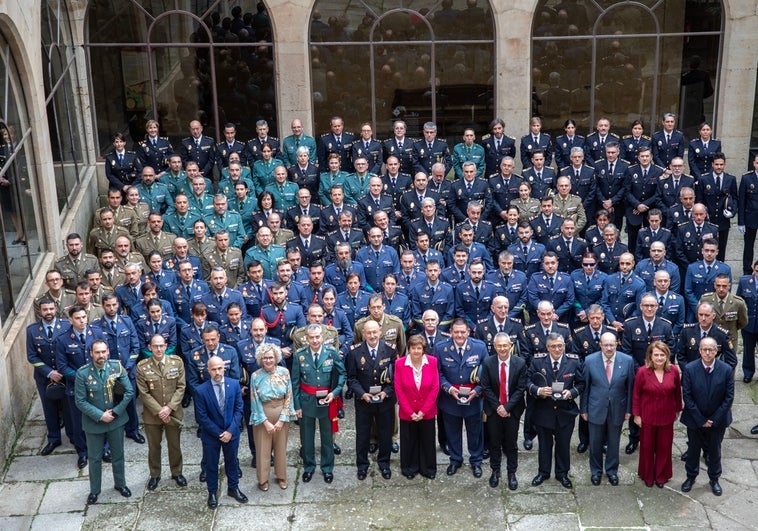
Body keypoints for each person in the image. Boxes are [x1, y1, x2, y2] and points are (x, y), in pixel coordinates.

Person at [74, 339, 134, 504]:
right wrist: (101, 415)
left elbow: (129, 392)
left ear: (108, 351)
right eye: (97, 352)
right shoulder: (83, 373)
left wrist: (115, 412)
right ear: (91, 354)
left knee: (118, 454)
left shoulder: (116, 367)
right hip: (94, 423)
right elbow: (80, 401)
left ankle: (120, 484)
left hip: (116, 420)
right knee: (94, 458)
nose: (101, 355)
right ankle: (94, 490)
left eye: (103, 352)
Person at [528, 332, 583, 489]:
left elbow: (581, 384)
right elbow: (527, 381)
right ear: (547, 347)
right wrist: (538, 390)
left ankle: (562, 474)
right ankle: (543, 472)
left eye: (560, 346)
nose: (557, 349)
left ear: (564, 346)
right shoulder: (538, 362)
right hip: (544, 411)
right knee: (544, 445)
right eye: (553, 346)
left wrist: (571, 393)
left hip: (565, 412)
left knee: (563, 445)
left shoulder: (573, 362)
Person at [291, 324, 346, 483]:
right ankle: (309, 467)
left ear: (322, 337)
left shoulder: (332, 353)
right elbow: (295, 382)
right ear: (307, 339)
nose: (314, 340)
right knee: (306, 438)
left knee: (327, 437)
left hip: (327, 401)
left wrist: (334, 393)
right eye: (311, 337)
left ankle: (327, 468)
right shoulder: (299, 355)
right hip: (307, 401)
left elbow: (342, 374)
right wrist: (297, 406)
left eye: (317, 337)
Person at [680, 337, 734, 497]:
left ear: (716, 351)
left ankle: (714, 479)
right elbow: (687, 396)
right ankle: (690, 477)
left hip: (717, 421)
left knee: (715, 451)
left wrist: (714, 419)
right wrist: (700, 419)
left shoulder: (726, 369)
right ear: (700, 351)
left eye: (711, 349)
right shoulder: (690, 369)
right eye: (704, 349)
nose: (708, 352)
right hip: (695, 419)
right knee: (693, 450)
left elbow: (729, 397)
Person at [580, 332, 635, 486]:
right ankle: (596, 472)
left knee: (614, 442)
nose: (609, 348)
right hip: (595, 407)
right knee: (595, 442)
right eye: (606, 345)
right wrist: (583, 409)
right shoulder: (590, 361)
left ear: (617, 343)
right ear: (600, 345)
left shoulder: (627, 360)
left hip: (618, 408)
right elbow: (585, 387)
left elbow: (630, 387)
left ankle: (612, 471)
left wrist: (629, 409)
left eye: (612, 344)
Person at [435, 318, 487, 478]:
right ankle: (455, 460)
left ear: (468, 332)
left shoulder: (479, 347)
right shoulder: (440, 348)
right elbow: (437, 373)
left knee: (475, 432)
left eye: (462, 332)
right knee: (452, 432)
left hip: (473, 400)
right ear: (450, 332)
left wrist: (477, 390)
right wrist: (449, 389)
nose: (459, 335)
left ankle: (476, 461)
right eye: (456, 332)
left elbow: (487, 372)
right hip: (450, 400)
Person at [195, 356, 247, 509]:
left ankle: (233, 488)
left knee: (232, 462)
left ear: (224, 368)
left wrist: (230, 431)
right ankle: (212, 492)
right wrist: (219, 433)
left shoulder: (234, 384)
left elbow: (239, 409)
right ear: (208, 370)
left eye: (219, 368)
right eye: (213, 369)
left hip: (231, 433)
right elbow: (201, 417)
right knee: (211, 465)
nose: (217, 372)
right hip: (212, 436)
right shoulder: (201, 391)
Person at [347, 320, 397, 480]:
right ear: (363, 334)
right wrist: (362, 394)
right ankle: (362, 466)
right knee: (362, 436)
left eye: (375, 332)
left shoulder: (390, 351)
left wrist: (386, 392)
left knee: (385, 434)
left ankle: (384, 464)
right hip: (364, 402)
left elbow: (396, 377)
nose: (372, 335)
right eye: (368, 333)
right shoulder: (355, 352)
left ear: (380, 332)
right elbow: (352, 379)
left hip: (385, 401)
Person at [136, 334, 186, 491]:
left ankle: (177, 472)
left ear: (166, 346)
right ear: (149, 347)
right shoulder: (142, 367)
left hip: (173, 413)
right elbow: (144, 393)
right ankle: (155, 475)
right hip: (152, 416)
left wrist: (169, 408)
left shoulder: (176, 362)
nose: (158, 349)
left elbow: (181, 387)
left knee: (174, 445)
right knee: (154, 447)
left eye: (161, 345)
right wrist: (159, 411)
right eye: (155, 346)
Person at [632, 341, 682, 488]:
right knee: (646, 448)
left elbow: (677, 392)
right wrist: (637, 414)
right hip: (647, 416)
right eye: (656, 355)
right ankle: (647, 476)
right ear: (650, 356)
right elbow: (636, 395)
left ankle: (661, 476)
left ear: (667, 356)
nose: (659, 358)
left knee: (664, 447)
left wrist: (677, 410)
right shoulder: (642, 372)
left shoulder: (673, 371)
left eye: (662, 355)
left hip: (667, 416)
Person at [480, 333, 527, 490]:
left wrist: (507, 408)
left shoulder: (519, 363)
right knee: (494, 441)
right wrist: (498, 407)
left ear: (510, 345)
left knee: (511, 443)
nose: (502, 348)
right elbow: (485, 387)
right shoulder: (487, 362)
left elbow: (521, 389)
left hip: (512, 410)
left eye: (505, 345)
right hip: (494, 410)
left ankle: (511, 472)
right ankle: (495, 471)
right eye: (499, 345)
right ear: (494, 346)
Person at [26, 297, 70, 456]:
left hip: (65, 376)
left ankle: (73, 436)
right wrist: (50, 373)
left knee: (69, 408)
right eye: (45, 309)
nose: (49, 312)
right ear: (39, 311)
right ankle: (53, 439)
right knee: (49, 409)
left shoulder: (66, 325)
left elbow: (69, 351)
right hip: (44, 378)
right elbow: (32, 356)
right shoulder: (32, 330)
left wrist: (62, 372)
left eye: (51, 309)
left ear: (56, 308)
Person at [249, 343, 295, 491]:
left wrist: (283, 419)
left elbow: (289, 396)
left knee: (281, 448)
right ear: (260, 359)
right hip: (264, 414)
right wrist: (265, 422)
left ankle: (281, 476)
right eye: (265, 358)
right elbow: (254, 399)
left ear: (276, 357)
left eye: (270, 357)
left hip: (281, 412)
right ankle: (263, 480)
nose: (268, 360)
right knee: (263, 449)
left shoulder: (285, 372)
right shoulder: (255, 376)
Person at [394, 334, 439, 480]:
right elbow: (399, 389)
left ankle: (428, 468)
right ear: (409, 349)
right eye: (413, 348)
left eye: (419, 348)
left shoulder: (432, 362)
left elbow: (435, 388)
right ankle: (409, 468)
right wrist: (410, 412)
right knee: (409, 441)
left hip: (427, 411)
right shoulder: (400, 364)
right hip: (408, 413)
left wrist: (423, 411)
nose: (416, 351)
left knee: (428, 440)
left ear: (423, 350)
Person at [738, 155, 758, 275]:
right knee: (748, 246)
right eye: (757, 163)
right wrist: (741, 221)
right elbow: (742, 201)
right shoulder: (746, 178)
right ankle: (746, 270)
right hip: (750, 217)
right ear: (754, 164)